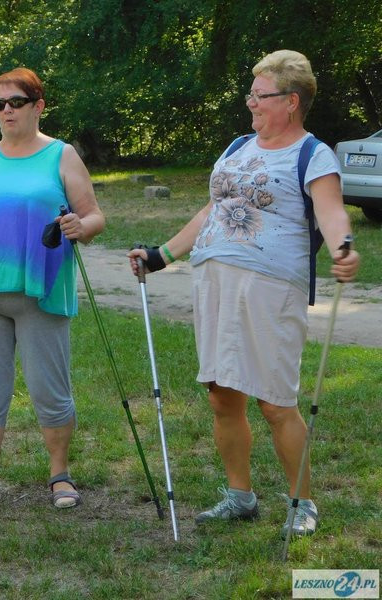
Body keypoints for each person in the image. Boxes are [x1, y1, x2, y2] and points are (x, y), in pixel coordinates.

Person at [127, 50, 360, 537]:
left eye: (260, 94)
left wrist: (343, 245)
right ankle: (240, 496)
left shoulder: (312, 154)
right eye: (250, 93)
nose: (250, 102)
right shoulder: (238, 146)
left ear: (291, 101)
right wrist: (162, 254)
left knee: (275, 401)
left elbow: (331, 211)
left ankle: (302, 502)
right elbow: (212, 210)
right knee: (221, 395)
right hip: (213, 279)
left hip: (271, 287)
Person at [0, 67, 105, 510]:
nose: (6, 111)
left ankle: (60, 474)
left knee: (49, 388)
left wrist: (82, 226)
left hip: (42, 289)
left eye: (15, 102)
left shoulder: (61, 156)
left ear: (38, 106)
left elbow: (94, 216)